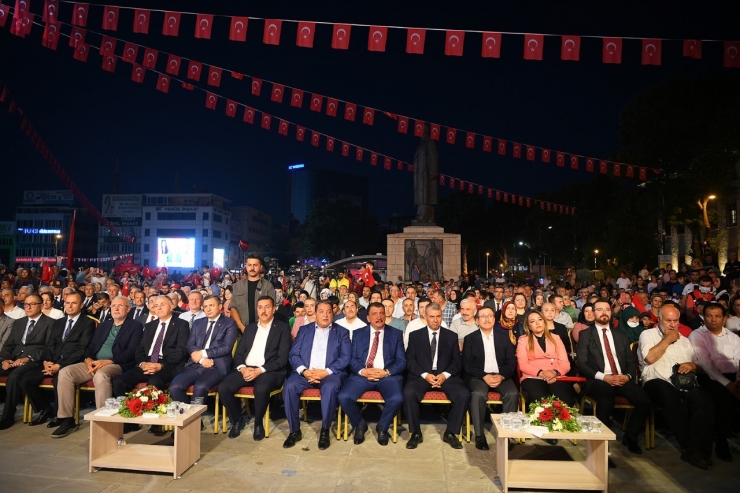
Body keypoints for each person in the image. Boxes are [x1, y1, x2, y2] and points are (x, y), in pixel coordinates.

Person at [50, 295, 144, 438]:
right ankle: (67, 420)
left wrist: (106, 362)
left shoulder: (135, 326)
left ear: (128, 309)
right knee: (65, 372)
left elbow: (131, 352)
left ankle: (102, 420)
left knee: (101, 375)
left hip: (116, 364)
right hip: (94, 362)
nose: (116, 308)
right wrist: (88, 359)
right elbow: (91, 346)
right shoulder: (104, 324)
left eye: (120, 306)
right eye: (113, 306)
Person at [639, 304, 715, 469]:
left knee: (704, 400)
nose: (672, 324)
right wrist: (666, 340)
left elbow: (699, 365)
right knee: (670, 398)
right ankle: (689, 448)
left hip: (684, 381)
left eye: (675, 320)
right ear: (659, 320)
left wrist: (692, 366)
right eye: (668, 320)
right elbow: (649, 358)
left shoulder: (685, 340)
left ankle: (700, 450)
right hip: (656, 380)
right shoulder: (647, 334)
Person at [577, 299, 651, 456]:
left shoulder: (620, 335)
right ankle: (601, 444)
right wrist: (604, 377)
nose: (604, 312)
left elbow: (631, 361)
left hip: (621, 377)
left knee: (644, 400)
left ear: (611, 313)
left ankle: (630, 437)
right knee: (606, 398)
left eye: (607, 310)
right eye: (600, 309)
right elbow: (582, 364)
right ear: (593, 313)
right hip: (599, 379)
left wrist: (628, 376)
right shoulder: (586, 335)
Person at [113, 296, 190, 433]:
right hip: (147, 363)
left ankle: (156, 422)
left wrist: (161, 365)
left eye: (162, 305)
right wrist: (143, 363)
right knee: (120, 381)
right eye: (156, 305)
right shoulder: (149, 326)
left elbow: (181, 351)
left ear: (172, 306)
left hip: (168, 365)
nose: (158, 308)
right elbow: (140, 349)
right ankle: (129, 420)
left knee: (155, 381)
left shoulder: (181, 324)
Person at [20, 291, 96, 430]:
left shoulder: (87, 323)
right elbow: (50, 344)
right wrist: (47, 361)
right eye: (67, 303)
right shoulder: (58, 323)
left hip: (70, 364)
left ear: (81, 305)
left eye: (74, 303)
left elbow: (81, 350)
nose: (70, 306)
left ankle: (59, 416)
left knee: (58, 379)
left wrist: (60, 365)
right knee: (26, 380)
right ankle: (45, 409)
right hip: (52, 361)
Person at [219, 295, 290, 440]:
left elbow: (282, 359)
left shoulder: (282, 328)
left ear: (274, 309)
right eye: (260, 307)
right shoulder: (250, 328)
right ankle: (237, 420)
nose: (263, 311)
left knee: (262, 388)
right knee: (223, 387)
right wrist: (243, 368)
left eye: (267, 307)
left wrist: (259, 370)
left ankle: (258, 424)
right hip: (247, 368)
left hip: (269, 370)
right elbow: (238, 354)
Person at [282, 300, 351, 450]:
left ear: (333, 313)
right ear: (315, 313)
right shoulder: (304, 330)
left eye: (328, 312)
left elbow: (345, 358)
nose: (325, 315)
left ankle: (325, 430)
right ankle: (294, 431)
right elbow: (294, 354)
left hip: (329, 373)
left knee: (331, 387)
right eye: (321, 311)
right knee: (289, 386)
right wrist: (304, 371)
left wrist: (325, 372)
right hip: (306, 372)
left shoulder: (342, 332)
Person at [338, 303, 406, 446]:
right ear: (368, 318)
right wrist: (363, 371)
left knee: (397, 398)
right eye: (374, 314)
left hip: (386, 376)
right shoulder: (358, 333)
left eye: (381, 313)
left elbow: (401, 361)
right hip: (362, 375)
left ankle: (382, 426)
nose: (379, 316)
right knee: (344, 397)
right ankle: (359, 424)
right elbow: (351, 359)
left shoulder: (395, 334)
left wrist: (385, 372)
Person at [403, 302, 469, 450]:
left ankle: (451, 432)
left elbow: (457, 362)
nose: (435, 320)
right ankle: (415, 433)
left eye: (438, 316)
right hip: (422, 375)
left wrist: (444, 375)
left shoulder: (451, 336)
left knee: (463, 394)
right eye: (432, 316)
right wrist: (425, 375)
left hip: (445, 376)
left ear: (441, 317)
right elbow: (410, 361)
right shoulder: (415, 335)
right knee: (409, 392)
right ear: (425, 316)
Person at [688, 302, 740, 462]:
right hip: (707, 377)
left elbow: (739, 361)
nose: (713, 320)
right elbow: (706, 364)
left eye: (717, 316)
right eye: (709, 316)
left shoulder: (734, 337)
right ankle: (721, 442)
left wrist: (737, 383)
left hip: (733, 377)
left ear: (724, 318)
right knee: (723, 396)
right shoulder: (697, 335)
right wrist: (729, 385)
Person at [463, 306, 518, 450]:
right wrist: (484, 375)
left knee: (512, 394)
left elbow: (511, 363)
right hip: (478, 376)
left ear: (494, 319)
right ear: (477, 321)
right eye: (483, 316)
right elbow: (467, 364)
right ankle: (480, 436)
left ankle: (507, 434)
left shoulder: (503, 338)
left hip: (500, 375)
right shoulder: (470, 339)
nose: (487, 319)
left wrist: (501, 375)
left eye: (490, 316)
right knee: (479, 394)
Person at [170, 295, 237, 409]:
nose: (208, 309)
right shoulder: (198, 323)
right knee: (174, 387)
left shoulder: (229, 323)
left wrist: (202, 353)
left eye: (211, 305)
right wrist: (201, 359)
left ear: (220, 306)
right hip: (196, 364)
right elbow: (190, 345)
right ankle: (192, 420)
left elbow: (225, 347)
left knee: (200, 386)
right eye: (205, 306)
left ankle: (193, 420)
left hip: (216, 366)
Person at [0, 294, 56, 430]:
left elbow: (49, 348)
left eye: (32, 304)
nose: (28, 307)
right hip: (14, 358)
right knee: (10, 371)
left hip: (34, 361)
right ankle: (45, 408)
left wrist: (28, 358)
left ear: (41, 306)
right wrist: (5, 359)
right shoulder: (19, 322)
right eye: (25, 304)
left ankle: (7, 416)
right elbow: (8, 345)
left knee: (15, 377)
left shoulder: (50, 323)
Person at [516, 311, 575, 407]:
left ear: (544, 322)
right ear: (528, 326)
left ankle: (561, 422)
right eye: (533, 321)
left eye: (540, 320)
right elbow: (523, 365)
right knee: (539, 398)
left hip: (556, 376)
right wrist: (542, 373)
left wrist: (554, 372)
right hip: (533, 376)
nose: (537, 323)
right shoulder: (523, 340)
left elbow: (565, 363)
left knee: (563, 397)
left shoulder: (556, 338)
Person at [231, 253, 276, 333]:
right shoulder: (238, 286)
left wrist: (256, 327)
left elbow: (271, 308)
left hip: (262, 330)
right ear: (246, 266)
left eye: (255, 265)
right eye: (249, 265)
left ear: (261, 267)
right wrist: (241, 327)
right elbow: (233, 308)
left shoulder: (268, 286)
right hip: (240, 331)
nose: (252, 268)